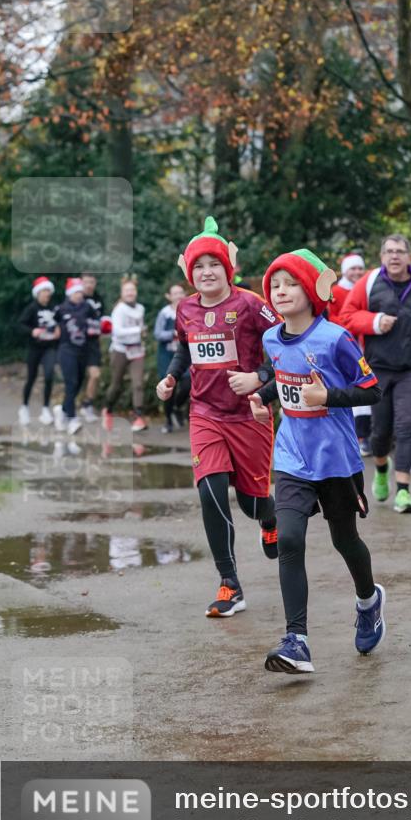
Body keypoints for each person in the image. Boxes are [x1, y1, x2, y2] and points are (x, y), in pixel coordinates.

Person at [249, 248, 384, 674]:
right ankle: (297, 640)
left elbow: (371, 390)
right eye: (274, 285)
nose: (280, 291)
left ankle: (369, 600)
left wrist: (329, 396)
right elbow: (280, 375)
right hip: (291, 456)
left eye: (290, 284)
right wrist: (263, 397)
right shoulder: (271, 338)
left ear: (310, 291)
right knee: (289, 539)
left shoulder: (335, 339)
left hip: (337, 460)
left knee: (345, 540)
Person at [155, 216, 279, 617]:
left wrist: (258, 377)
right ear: (190, 272)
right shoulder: (185, 308)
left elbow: (287, 349)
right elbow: (185, 349)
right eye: (199, 267)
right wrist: (172, 376)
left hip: (249, 416)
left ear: (228, 268)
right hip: (205, 413)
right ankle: (230, 584)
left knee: (251, 502)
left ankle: (269, 517)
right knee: (210, 491)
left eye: (214, 265)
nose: (206, 273)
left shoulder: (251, 305)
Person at [340, 234, 411, 514]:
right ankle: (381, 469)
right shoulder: (370, 282)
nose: (394, 256)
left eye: (400, 251)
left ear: (410, 256)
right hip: (377, 370)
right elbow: (347, 315)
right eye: (389, 251)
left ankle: (403, 491)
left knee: (406, 426)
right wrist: (374, 322)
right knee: (380, 433)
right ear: (382, 256)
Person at [329, 253, 372, 455]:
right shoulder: (336, 292)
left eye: (359, 269)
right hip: (343, 347)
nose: (356, 272)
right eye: (352, 269)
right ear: (345, 270)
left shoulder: (367, 289)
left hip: (365, 346)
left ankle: (364, 437)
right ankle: (350, 436)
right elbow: (332, 318)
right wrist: (352, 323)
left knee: (365, 386)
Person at [102, 277, 147, 433]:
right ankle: (108, 410)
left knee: (138, 383)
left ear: (136, 292)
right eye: (127, 290)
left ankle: (138, 416)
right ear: (122, 293)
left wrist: (142, 334)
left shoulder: (140, 308)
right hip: (120, 350)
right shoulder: (119, 309)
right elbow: (118, 332)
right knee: (116, 385)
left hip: (136, 350)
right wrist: (138, 331)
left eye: (132, 290)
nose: (130, 293)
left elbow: (141, 327)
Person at [53, 278, 96, 434]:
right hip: (66, 350)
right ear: (70, 293)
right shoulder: (61, 308)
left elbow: (96, 321)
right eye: (76, 292)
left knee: (77, 384)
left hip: (82, 350)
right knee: (70, 383)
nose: (79, 295)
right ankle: (72, 419)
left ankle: (62, 410)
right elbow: (52, 325)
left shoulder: (87, 307)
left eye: (80, 292)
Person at [17, 276, 60, 425]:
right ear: (38, 293)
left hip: (50, 347)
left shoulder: (55, 307)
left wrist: (59, 330)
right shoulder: (32, 308)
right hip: (35, 348)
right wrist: (32, 331)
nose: (47, 293)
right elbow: (20, 325)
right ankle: (24, 407)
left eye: (48, 290)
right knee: (31, 378)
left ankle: (45, 409)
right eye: (44, 291)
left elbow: (62, 322)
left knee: (49, 376)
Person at [154, 283, 191, 433]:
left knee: (189, 383)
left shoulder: (191, 310)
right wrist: (172, 334)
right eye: (175, 293)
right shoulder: (164, 313)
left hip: (186, 355)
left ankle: (177, 406)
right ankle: (168, 420)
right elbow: (157, 334)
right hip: (167, 355)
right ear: (169, 296)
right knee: (168, 386)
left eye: (180, 293)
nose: (178, 296)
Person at [79, 273, 105, 423]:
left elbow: (102, 319)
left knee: (95, 375)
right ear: (81, 283)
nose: (89, 285)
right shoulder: (76, 297)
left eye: (92, 282)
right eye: (86, 282)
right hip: (77, 343)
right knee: (77, 378)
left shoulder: (98, 299)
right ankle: (67, 410)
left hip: (93, 343)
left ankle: (87, 404)